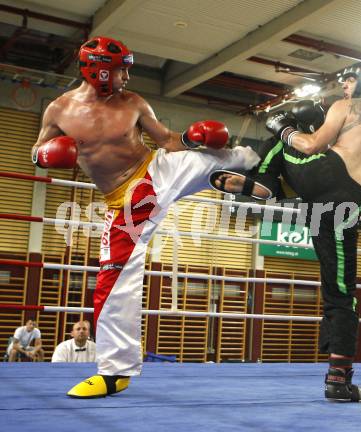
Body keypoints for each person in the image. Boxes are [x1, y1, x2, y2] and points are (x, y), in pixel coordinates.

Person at [31, 36, 260, 398]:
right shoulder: (59, 110)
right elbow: (36, 149)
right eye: (122, 70)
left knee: (222, 153)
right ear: (100, 71)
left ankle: (264, 169)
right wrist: (44, 156)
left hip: (158, 168)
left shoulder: (133, 102)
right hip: (127, 199)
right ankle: (115, 372)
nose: (126, 77)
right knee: (113, 280)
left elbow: (168, 141)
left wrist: (192, 136)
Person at [210, 62, 361, 402]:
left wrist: (285, 128)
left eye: (351, 79)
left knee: (285, 144)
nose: (345, 86)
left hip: (324, 178)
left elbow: (310, 146)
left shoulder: (348, 107)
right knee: (342, 291)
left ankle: (266, 186)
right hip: (351, 202)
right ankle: (339, 381)